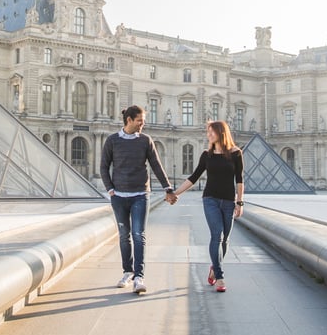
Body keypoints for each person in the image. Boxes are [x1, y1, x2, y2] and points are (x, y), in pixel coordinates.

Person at [100, 105, 176, 294]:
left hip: (141, 195)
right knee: (124, 236)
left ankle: (139, 277)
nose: (143, 124)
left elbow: (156, 165)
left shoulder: (145, 141)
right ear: (129, 120)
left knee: (138, 235)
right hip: (119, 196)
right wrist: (110, 189)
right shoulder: (112, 141)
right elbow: (103, 166)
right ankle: (127, 272)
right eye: (140, 120)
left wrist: (168, 188)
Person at [171, 120, 244, 293]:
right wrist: (176, 193)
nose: (208, 135)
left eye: (211, 132)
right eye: (208, 132)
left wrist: (239, 202)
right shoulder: (206, 155)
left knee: (225, 239)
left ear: (221, 133)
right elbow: (194, 177)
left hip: (228, 201)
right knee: (216, 236)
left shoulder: (236, 153)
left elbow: (239, 180)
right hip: (210, 199)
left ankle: (214, 267)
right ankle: (219, 277)